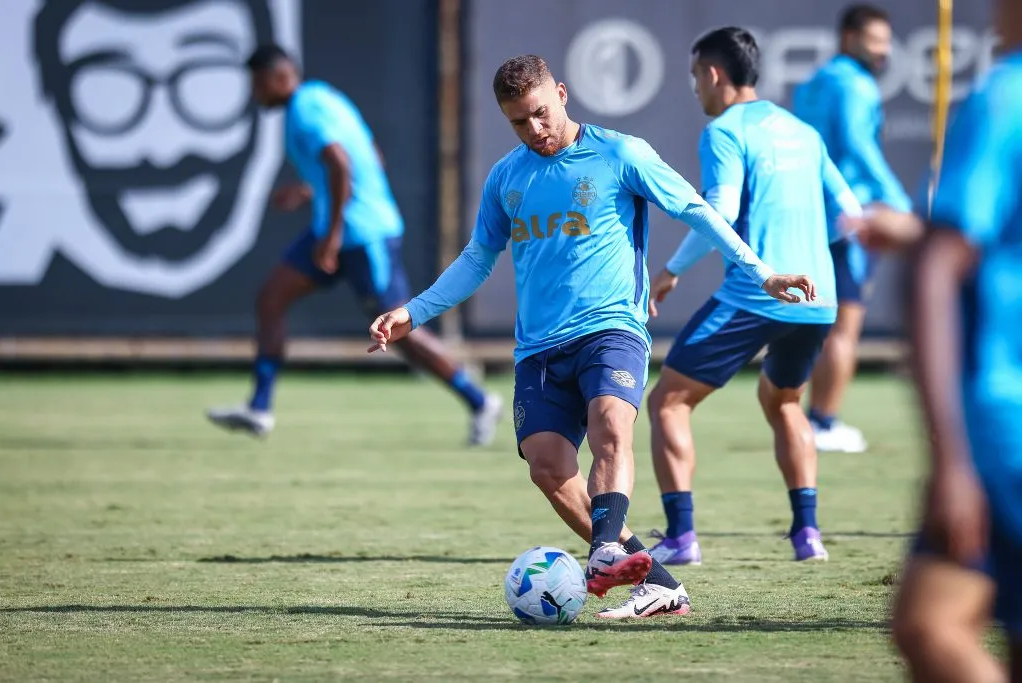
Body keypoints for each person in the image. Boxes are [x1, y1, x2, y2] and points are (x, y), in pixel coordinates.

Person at [368, 54, 816, 617]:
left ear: (561, 93)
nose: (534, 130)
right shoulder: (507, 177)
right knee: (549, 468)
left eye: (540, 113)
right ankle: (657, 581)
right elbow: (478, 258)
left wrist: (762, 272)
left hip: (612, 328)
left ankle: (604, 548)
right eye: (518, 122)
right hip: (538, 349)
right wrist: (413, 311)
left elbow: (697, 210)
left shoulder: (620, 153)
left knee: (610, 426)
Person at [206, 45, 503, 445]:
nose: (255, 94)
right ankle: (259, 408)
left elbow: (343, 164)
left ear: (279, 78)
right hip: (339, 227)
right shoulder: (325, 97)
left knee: (399, 329)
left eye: (257, 85)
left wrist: (329, 238)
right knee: (272, 298)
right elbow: (370, 156)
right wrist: (312, 193)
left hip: (362, 235)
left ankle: (480, 400)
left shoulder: (305, 111)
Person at [847, 1, 1022, 674]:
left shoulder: (1006, 95)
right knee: (929, 621)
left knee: (932, 624)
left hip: (1001, 429)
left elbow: (937, 275)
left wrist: (951, 457)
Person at [644, 27, 861, 566]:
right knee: (784, 400)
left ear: (714, 74)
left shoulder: (723, 131)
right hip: (819, 298)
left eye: (696, 76)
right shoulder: (803, 132)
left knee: (667, 401)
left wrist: (669, 271)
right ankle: (807, 536)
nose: (696, 88)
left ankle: (680, 538)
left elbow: (715, 207)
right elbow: (849, 212)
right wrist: (811, 252)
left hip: (757, 295)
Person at [793, 4, 912, 453]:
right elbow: (859, 146)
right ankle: (823, 421)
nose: (882, 49)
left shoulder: (815, 82)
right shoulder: (855, 85)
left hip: (813, 214)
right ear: (849, 38)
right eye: (873, 40)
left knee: (822, 323)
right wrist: (899, 202)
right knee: (846, 325)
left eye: (885, 40)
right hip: (847, 218)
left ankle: (812, 418)